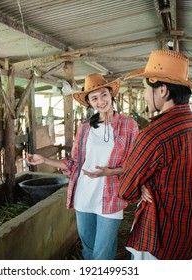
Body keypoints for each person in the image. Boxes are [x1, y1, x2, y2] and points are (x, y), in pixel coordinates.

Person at [26, 73, 139, 260]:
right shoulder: (85, 128)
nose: (100, 101)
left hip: (110, 197)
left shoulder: (129, 126)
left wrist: (111, 172)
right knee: (88, 251)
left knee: (102, 254)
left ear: (111, 94)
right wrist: (44, 161)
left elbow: (135, 163)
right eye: (94, 98)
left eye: (103, 95)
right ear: (89, 103)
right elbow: (75, 164)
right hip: (84, 196)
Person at [118, 50, 192, 260]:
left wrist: (140, 185)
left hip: (158, 237)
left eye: (144, 89)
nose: (143, 94)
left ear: (162, 90)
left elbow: (125, 190)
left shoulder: (153, 135)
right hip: (189, 232)